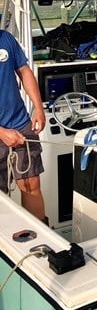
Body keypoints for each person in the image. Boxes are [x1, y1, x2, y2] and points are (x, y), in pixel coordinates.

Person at [0, 29, 46, 221]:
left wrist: (38, 107)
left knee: (31, 184)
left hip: (20, 122)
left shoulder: (6, 38)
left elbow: (24, 71)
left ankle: (40, 235)